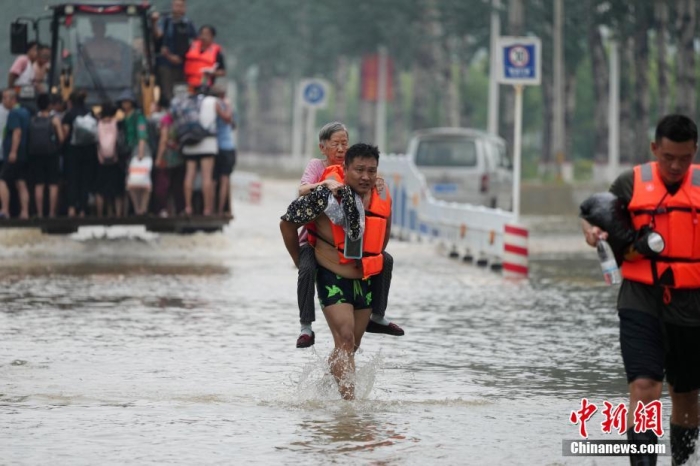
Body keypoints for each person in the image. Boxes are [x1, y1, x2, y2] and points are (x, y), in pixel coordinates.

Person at [581, 114, 700, 465]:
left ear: (694, 152)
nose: (676, 166)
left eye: (685, 158)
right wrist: (591, 233)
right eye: (668, 158)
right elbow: (596, 214)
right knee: (644, 388)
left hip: (693, 304)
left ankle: (682, 462)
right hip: (641, 298)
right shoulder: (632, 182)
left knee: (687, 395)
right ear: (654, 149)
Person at [280, 143, 392, 400]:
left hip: (363, 279)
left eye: (371, 171)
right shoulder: (324, 196)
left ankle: (323, 392)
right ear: (345, 169)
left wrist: (372, 260)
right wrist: (300, 260)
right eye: (359, 170)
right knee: (344, 337)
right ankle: (349, 411)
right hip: (332, 275)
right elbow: (286, 224)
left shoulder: (382, 195)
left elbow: (384, 234)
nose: (365, 177)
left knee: (350, 346)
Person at [293, 122, 404, 348]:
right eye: (336, 144)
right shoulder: (319, 169)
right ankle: (306, 325)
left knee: (386, 259)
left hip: (355, 249)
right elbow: (302, 190)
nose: (341, 148)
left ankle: (378, 315)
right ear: (323, 147)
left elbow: (380, 213)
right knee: (306, 268)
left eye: (345, 143)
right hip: (315, 243)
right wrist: (325, 184)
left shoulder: (359, 175)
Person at [179, 89, 217, 215]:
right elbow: (226, 118)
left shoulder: (185, 102)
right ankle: (207, 209)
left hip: (190, 144)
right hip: (207, 144)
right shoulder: (212, 101)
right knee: (207, 177)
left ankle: (188, 207)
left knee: (189, 175)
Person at [151, 0, 197, 101]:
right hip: (166, 63)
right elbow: (158, 34)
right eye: (176, 6)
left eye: (181, 6)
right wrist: (154, 22)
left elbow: (195, 43)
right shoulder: (166, 21)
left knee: (183, 91)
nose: (178, 9)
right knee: (168, 91)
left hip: (183, 64)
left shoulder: (188, 23)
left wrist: (184, 57)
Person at [62, 90, 97, 217]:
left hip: (72, 151)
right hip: (89, 151)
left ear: (70, 102)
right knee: (85, 180)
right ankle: (83, 209)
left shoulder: (69, 114)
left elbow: (64, 133)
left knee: (73, 179)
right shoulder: (90, 113)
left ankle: (71, 208)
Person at [29, 93, 64, 218]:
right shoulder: (54, 119)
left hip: (36, 155)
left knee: (39, 184)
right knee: (53, 184)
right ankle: (51, 213)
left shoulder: (33, 119)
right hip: (51, 154)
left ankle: (39, 212)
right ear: (49, 105)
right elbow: (61, 138)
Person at [118, 91, 151, 216]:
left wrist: (141, 153)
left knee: (144, 181)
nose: (124, 104)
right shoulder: (125, 117)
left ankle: (143, 208)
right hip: (130, 151)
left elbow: (142, 135)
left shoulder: (138, 116)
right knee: (133, 182)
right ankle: (137, 208)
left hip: (140, 150)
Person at [0, 89, 31, 218]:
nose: (3, 101)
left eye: (5, 98)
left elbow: (16, 132)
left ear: (13, 99)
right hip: (24, 153)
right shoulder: (25, 112)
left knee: (1, 180)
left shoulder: (14, 113)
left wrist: (13, 151)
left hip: (14, 154)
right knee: (21, 183)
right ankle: (25, 212)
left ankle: (5, 210)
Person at [153, 100, 185, 217]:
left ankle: (163, 210)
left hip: (166, 159)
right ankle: (179, 210)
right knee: (178, 186)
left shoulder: (165, 121)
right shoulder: (180, 120)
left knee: (162, 185)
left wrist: (158, 158)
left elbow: (163, 141)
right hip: (179, 158)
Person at [94, 102, 125, 217]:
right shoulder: (117, 124)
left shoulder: (98, 124)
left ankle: (100, 214)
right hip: (115, 160)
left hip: (101, 160)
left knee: (100, 189)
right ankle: (118, 214)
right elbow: (121, 141)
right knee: (117, 190)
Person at [212, 85, 236, 216]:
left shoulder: (208, 106)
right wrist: (228, 106)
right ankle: (221, 210)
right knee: (224, 180)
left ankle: (210, 209)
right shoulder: (224, 105)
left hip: (214, 148)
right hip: (227, 147)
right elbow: (230, 120)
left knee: (214, 179)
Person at [183, 25, 225, 90]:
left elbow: (222, 72)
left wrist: (212, 72)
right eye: (202, 34)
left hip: (206, 85)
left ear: (212, 37)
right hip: (188, 83)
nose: (204, 37)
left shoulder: (217, 52)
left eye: (207, 34)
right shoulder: (191, 46)